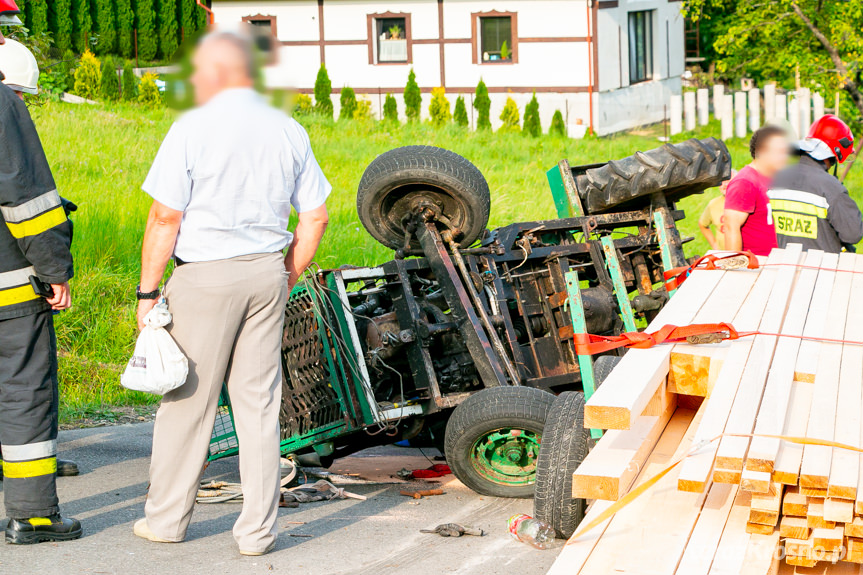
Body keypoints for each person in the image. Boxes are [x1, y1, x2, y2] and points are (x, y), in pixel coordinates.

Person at [133, 31, 330, 555]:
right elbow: (314, 217)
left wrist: (147, 292)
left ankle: (168, 520)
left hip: (204, 276)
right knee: (260, 406)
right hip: (266, 274)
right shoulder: (289, 130)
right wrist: (286, 275)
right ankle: (257, 534)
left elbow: (164, 217)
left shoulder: (191, 128)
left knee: (187, 402)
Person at [0, 26, 82, 544]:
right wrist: (55, 270)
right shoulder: (3, 107)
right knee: (23, 390)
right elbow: (27, 202)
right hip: (9, 291)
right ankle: (31, 516)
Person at [768, 114, 863, 253]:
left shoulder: (777, 179)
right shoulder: (832, 189)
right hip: (822, 269)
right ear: (835, 154)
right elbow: (853, 234)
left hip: (784, 264)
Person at [724, 125, 790, 256]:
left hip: (778, 262)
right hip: (757, 267)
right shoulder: (745, 182)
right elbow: (731, 228)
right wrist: (735, 268)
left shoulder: (774, 178)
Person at [698, 170, 736, 250]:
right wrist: (715, 245)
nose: (724, 184)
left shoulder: (745, 201)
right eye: (722, 181)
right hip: (724, 255)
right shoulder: (713, 204)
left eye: (728, 180)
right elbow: (702, 224)